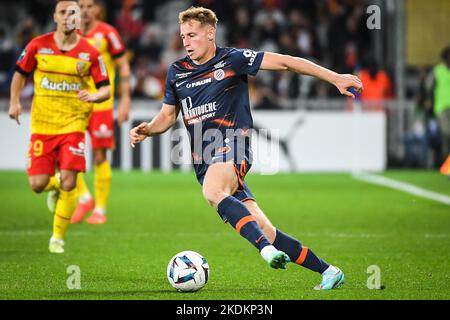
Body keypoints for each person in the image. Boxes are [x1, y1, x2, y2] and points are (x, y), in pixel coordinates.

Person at [129, 7, 363, 290]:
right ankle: (329, 271)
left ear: (210, 33)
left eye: (192, 35)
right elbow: (168, 115)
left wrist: (335, 77)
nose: (186, 42)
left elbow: (287, 62)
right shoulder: (177, 71)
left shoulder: (233, 59)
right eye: (182, 36)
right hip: (205, 161)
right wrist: (149, 129)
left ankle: (265, 251)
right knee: (264, 228)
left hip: (232, 146)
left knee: (212, 192)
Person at [8, 0, 110, 253]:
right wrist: (14, 103)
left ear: (79, 18)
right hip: (43, 125)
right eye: (63, 12)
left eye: (72, 12)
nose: (68, 16)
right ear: (55, 16)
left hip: (74, 124)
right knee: (37, 185)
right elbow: (20, 73)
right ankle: (52, 186)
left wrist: (95, 97)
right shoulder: (38, 46)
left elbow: (105, 88)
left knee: (69, 181)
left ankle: (57, 238)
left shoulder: (90, 53)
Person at [71, 0, 131, 225]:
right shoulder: (70, 33)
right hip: (74, 103)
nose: (85, 10)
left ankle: (100, 210)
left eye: (89, 5)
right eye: (81, 6)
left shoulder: (107, 33)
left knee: (99, 156)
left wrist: (125, 99)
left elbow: (123, 66)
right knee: (67, 154)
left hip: (101, 105)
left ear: (97, 9)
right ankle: (84, 198)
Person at [430, 46, 450, 170]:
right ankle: (444, 163)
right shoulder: (437, 71)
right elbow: (428, 87)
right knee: (447, 134)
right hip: (442, 108)